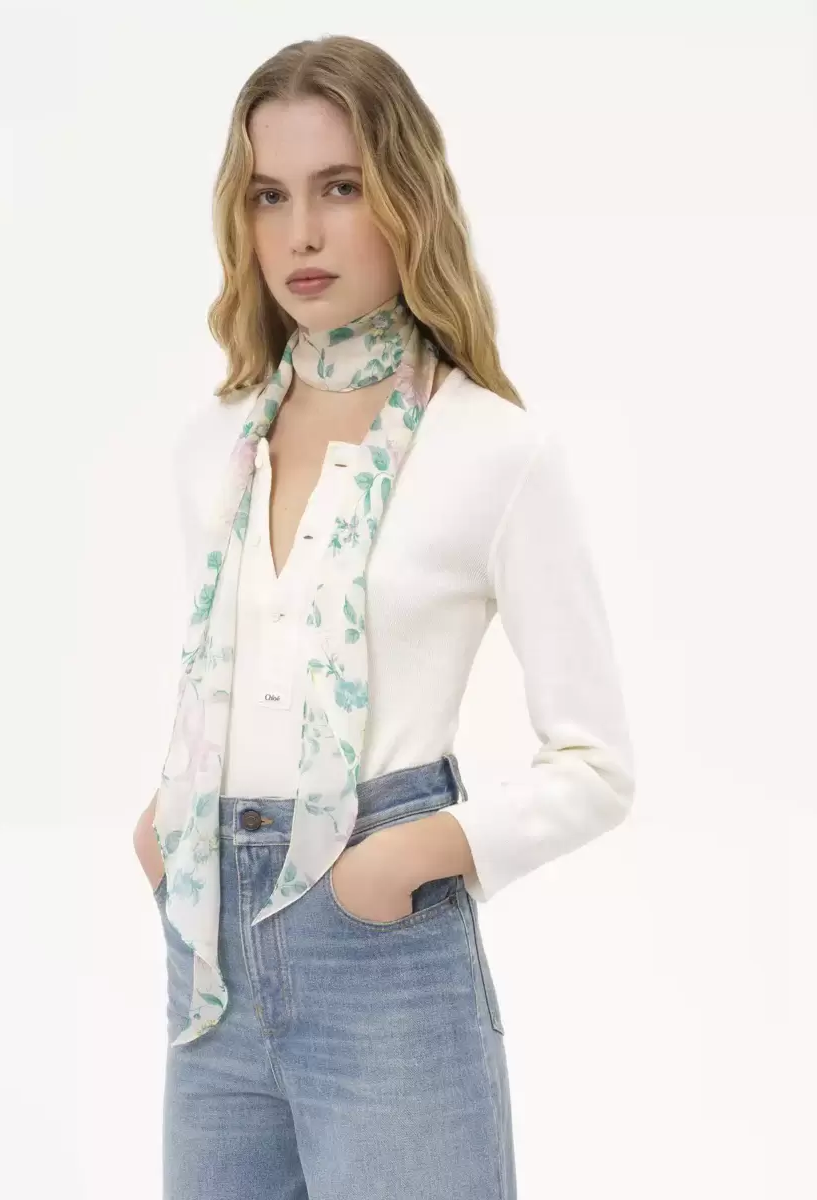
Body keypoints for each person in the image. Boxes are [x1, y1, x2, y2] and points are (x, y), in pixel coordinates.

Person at [133, 33, 634, 1200]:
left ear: (405, 196)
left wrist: (418, 851)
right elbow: (241, 678)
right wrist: (165, 820)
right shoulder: (213, 447)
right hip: (208, 964)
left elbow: (598, 766)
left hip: (384, 950)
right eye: (271, 195)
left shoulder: (495, 451)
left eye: (340, 188)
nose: (301, 234)